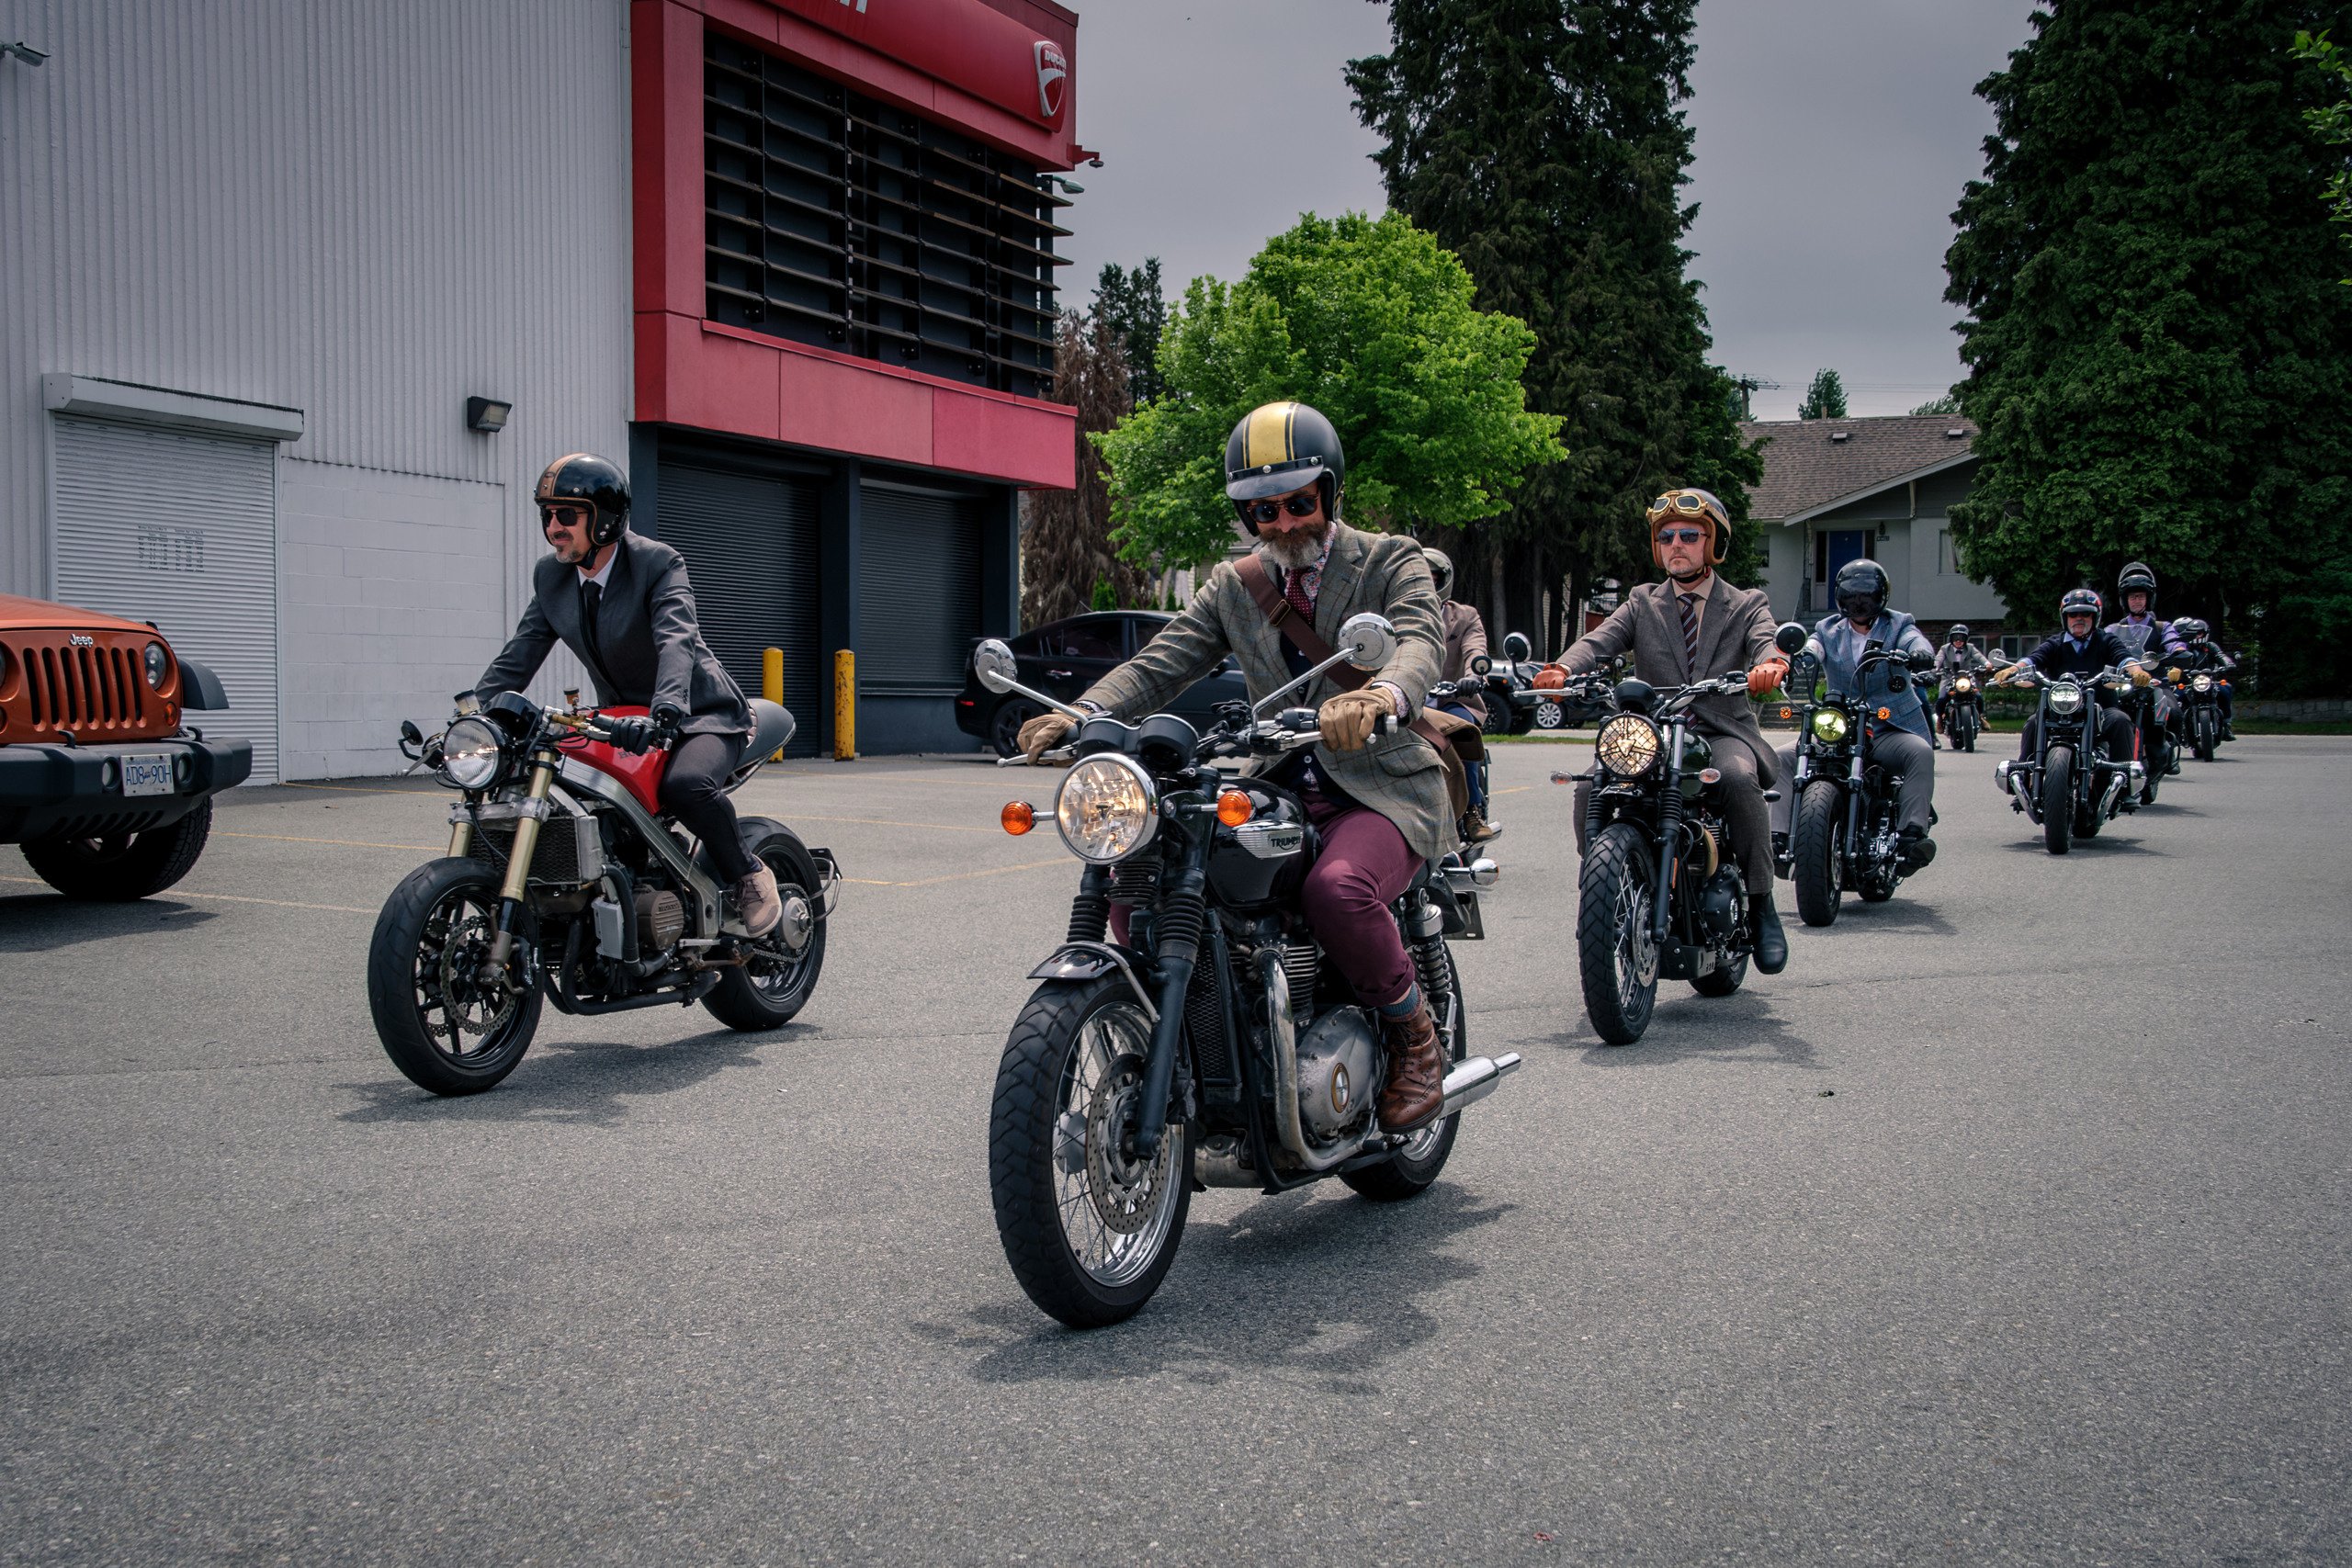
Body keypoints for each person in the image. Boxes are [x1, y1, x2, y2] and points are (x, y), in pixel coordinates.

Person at [1014, 401, 1453, 1132]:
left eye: (1297, 503)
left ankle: (1414, 1035)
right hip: (1274, 778)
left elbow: (1418, 639)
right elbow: (1161, 663)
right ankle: (1198, 1040)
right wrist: (1081, 715)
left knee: (1338, 889)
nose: (1282, 523)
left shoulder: (1389, 559)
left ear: (1330, 493)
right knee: (1141, 881)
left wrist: (1383, 692)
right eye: (1261, 511)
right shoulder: (1235, 585)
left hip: (1381, 784)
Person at [475, 454, 781, 936]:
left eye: (566, 515)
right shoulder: (552, 577)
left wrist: (666, 710)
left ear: (603, 518)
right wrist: (477, 716)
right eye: (547, 514)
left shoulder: (655, 563)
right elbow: (520, 654)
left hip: (698, 713)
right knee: (561, 782)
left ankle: (748, 873)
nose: (553, 526)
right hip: (620, 717)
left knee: (686, 787)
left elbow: (675, 639)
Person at [1531, 488, 1792, 974]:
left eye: (1689, 535)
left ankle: (1761, 903)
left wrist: (1772, 663)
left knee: (1736, 779)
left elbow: (1765, 640)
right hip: (1650, 733)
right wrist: (1561, 670)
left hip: (1719, 730)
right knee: (1592, 786)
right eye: (1666, 536)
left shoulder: (1745, 603)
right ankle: (1604, 892)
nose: (1676, 544)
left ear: (1713, 544)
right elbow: (1598, 640)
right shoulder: (1641, 603)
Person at [1768, 559, 1938, 873]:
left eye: (1866, 595)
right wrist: (1796, 658)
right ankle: (1778, 838)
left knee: (1921, 753)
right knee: (1783, 757)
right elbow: (1813, 647)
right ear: (1840, 598)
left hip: (1888, 727)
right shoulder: (1827, 629)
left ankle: (1911, 836)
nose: (1858, 602)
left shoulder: (1899, 624)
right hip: (1840, 725)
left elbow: (1914, 639)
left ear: (1881, 597)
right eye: (1851, 596)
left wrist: (1920, 652)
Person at [1997, 587, 2147, 773]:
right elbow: (2033, 659)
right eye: (2072, 614)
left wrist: (2136, 671)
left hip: (2100, 711)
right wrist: (2013, 669)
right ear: (2065, 617)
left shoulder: (2106, 640)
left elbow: (2124, 657)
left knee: (2121, 721)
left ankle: (2124, 787)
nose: (2079, 618)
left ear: (2095, 617)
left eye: (2086, 614)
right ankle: (2024, 779)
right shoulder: (2055, 643)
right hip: (2059, 711)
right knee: (2034, 723)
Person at [1423, 547, 1498, 843]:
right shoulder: (1395, 613)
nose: (1426, 584)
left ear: (1444, 581)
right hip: (1408, 702)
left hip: (1451, 699)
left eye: (1432, 578)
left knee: (1463, 732)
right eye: (1419, 577)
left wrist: (1473, 676)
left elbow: (1475, 649)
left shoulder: (1464, 617)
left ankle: (1470, 811)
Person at [2106, 562, 2188, 773]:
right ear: (2125, 600)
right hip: (2121, 683)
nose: (2136, 600)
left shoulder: (2162, 627)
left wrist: (2178, 652)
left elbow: (2174, 642)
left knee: (2175, 713)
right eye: (2132, 596)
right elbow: (2101, 644)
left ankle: (2169, 754)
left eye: (2140, 596)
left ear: (2148, 598)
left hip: (2157, 683)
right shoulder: (2113, 629)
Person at [2174, 617, 2237, 739]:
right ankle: (2178, 728)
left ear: (2205, 633)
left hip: (2209, 682)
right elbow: (2175, 660)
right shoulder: (2184, 647)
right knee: (2177, 696)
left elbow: (2220, 655)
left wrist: (2228, 664)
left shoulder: (2211, 647)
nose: (2196, 636)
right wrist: (2173, 670)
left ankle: (2226, 724)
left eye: (2199, 633)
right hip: (2188, 683)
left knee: (2226, 689)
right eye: (2193, 633)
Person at [1931, 623, 1989, 750]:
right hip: (1948, 678)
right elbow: (1938, 659)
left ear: (1965, 639)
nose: (1958, 641)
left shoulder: (1970, 648)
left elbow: (1979, 657)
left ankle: (1981, 717)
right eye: (1955, 637)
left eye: (1961, 638)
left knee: (1978, 697)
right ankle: (1940, 721)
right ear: (1951, 639)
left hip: (1966, 678)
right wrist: (1935, 668)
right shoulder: (1944, 649)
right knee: (1941, 699)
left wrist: (1987, 663)